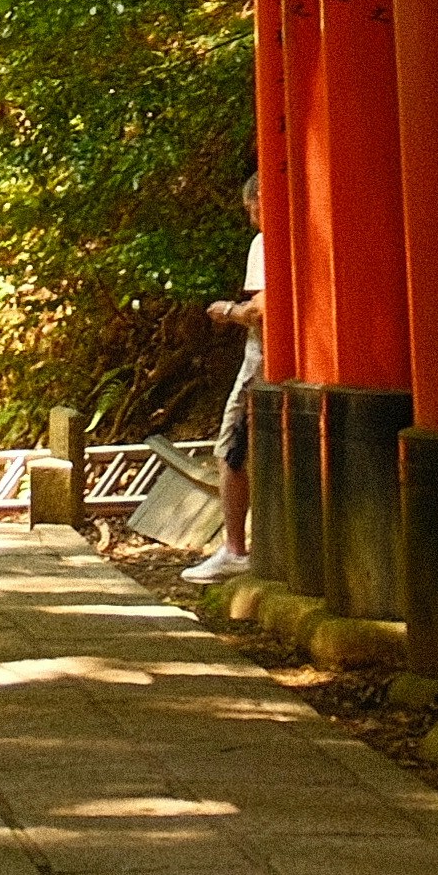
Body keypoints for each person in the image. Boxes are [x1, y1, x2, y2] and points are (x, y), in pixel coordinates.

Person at [184, 182, 263, 588]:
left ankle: (235, 548)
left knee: (230, 450)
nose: (250, 218)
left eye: (250, 208)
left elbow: (263, 307)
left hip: (260, 364)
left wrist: (228, 311)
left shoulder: (265, 242)